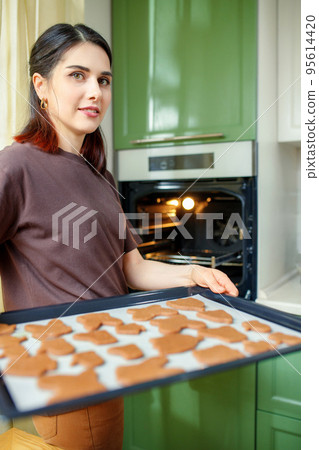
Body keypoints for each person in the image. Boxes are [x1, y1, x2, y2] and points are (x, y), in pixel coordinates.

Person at [0, 23, 239, 450]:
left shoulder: (100, 176)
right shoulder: (16, 165)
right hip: (67, 375)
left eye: (103, 80)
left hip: (106, 361)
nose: (95, 91)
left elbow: (131, 266)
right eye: (78, 75)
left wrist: (194, 275)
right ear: (41, 86)